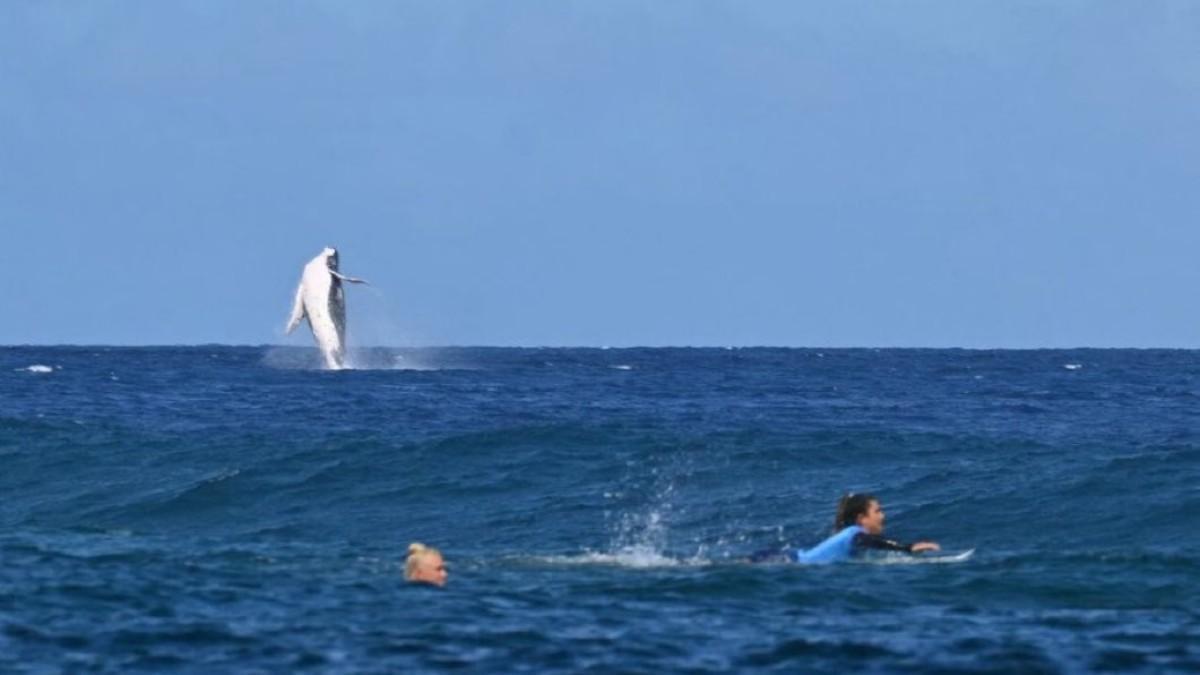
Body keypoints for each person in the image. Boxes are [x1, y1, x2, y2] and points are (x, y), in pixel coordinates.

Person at [752, 493, 940, 564]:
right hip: (784, 561)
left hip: (786, 557)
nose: (883, 516)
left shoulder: (847, 534)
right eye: (878, 511)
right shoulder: (856, 534)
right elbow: (871, 542)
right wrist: (907, 548)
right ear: (861, 518)